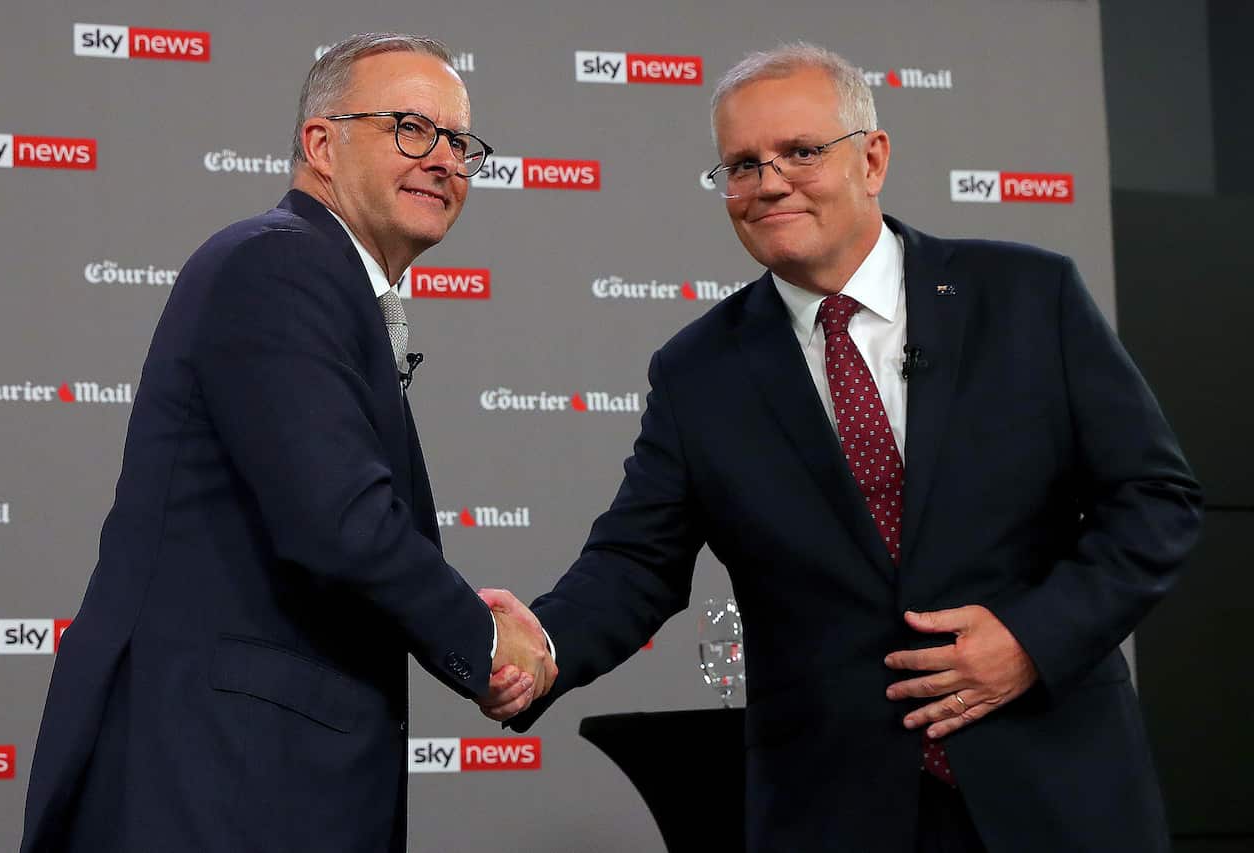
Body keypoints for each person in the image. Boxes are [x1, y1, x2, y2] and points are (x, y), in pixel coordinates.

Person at [480, 43, 1201, 852]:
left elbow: (1155, 502)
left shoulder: (1028, 297)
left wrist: (1032, 639)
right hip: (833, 808)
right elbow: (636, 562)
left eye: (800, 151)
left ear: (873, 158)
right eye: (742, 165)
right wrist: (542, 646)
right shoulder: (698, 371)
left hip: (1055, 787)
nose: (770, 182)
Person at [19, 33, 551, 853]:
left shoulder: (322, 280)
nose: (445, 159)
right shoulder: (279, 265)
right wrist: (486, 645)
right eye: (411, 128)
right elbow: (341, 521)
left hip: (256, 780)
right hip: (207, 780)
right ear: (321, 144)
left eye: (459, 140)